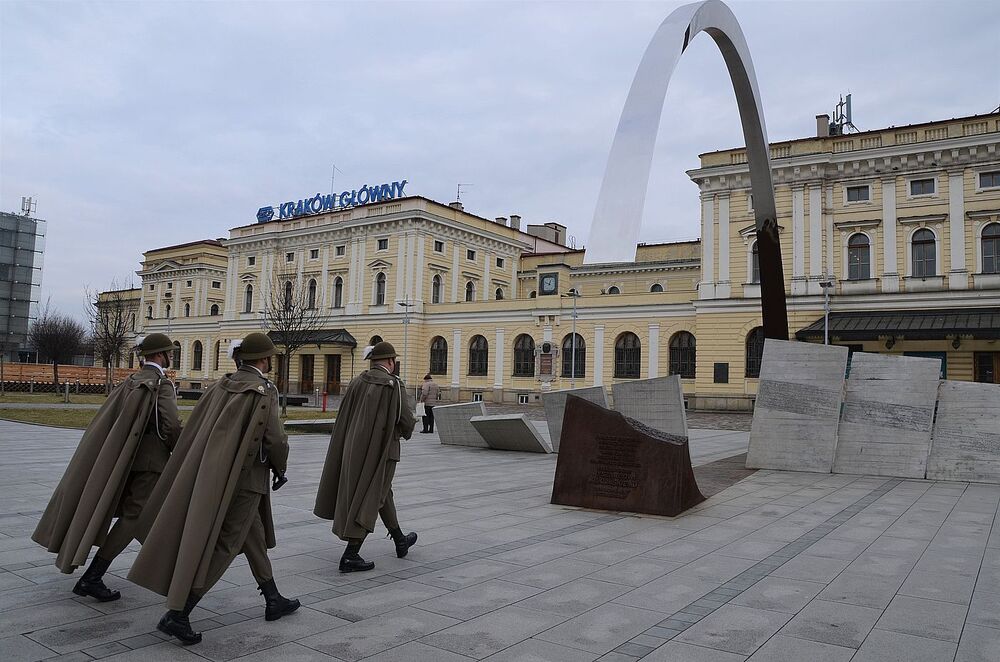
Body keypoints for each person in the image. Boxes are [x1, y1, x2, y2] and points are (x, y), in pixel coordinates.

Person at [127, 332, 298, 645]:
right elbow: (274, 439)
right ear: (264, 359)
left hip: (219, 474)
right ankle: (179, 612)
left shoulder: (224, 383)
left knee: (253, 536)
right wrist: (281, 467)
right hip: (247, 482)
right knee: (228, 544)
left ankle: (273, 598)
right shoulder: (263, 391)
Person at [32, 333, 181, 602]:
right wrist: (182, 449)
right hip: (152, 464)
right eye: (168, 352)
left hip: (128, 459)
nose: (170, 355)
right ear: (161, 355)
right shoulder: (162, 385)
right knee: (135, 517)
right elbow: (170, 426)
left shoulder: (131, 382)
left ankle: (169, 570)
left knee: (144, 516)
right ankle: (93, 576)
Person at [314, 341, 417, 572]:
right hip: (383, 452)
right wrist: (407, 432)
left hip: (353, 448)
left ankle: (400, 539)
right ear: (391, 361)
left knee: (383, 492)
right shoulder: (393, 384)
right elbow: (406, 418)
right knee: (375, 495)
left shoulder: (357, 381)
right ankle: (351, 553)